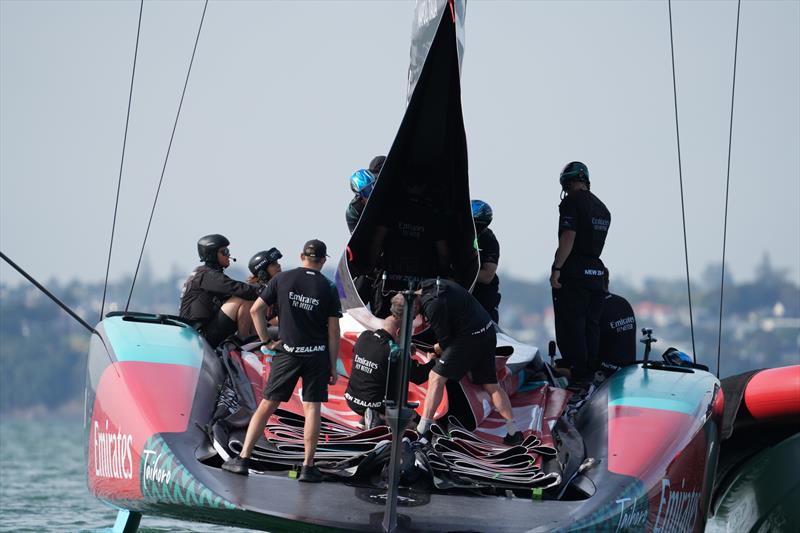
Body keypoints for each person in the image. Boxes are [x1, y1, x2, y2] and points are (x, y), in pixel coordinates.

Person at [222, 240, 342, 483]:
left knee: (267, 405)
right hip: (316, 354)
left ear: (302, 256)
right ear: (323, 260)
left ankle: (243, 459)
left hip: (287, 352)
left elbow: (256, 310)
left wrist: (266, 341)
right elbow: (333, 331)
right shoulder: (328, 287)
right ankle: (308, 467)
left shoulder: (282, 279)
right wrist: (332, 365)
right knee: (312, 409)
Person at [394, 278, 522, 445]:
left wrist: (434, 351)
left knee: (435, 377)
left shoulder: (432, 306)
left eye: (412, 316)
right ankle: (514, 432)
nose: (416, 318)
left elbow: (446, 344)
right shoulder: (431, 285)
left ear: (415, 306)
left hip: (469, 337)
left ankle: (422, 430)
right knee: (491, 385)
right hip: (487, 330)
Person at [550, 162, 611, 384]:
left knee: (571, 324)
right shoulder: (603, 209)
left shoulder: (571, 201)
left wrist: (557, 268)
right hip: (596, 273)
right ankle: (588, 371)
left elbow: (568, 236)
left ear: (568, 182)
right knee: (591, 326)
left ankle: (576, 375)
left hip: (575, 272)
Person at [344, 300, 436, 428]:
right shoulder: (395, 352)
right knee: (419, 421)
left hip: (351, 400)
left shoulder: (364, 336)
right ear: (398, 332)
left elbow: (378, 356)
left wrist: (406, 352)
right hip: (377, 405)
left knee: (374, 380)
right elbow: (419, 376)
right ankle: (378, 419)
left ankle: (366, 419)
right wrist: (432, 361)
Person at [179, 234, 258, 347]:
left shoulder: (205, 273)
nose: (228, 254)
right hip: (200, 335)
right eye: (224, 251)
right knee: (242, 297)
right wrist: (268, 291)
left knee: (246, 298)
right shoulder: (207, 275)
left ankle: (250, 338)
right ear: (212, 254)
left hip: (200, 333)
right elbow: (238, 288)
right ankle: (244, 342)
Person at [598, 269, 636, 372]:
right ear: (607, 282)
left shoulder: (595, 308)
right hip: (628, 370)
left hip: (605, 373)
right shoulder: (624, 303)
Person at [470, 199, 502, 324]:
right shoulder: (456, 234)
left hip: (483, 298)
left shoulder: (490, 240)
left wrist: (458, 276)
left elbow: (487, 276)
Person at [345, 155, 385, 234]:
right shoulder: (354, 211)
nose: (372, 194)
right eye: (367, 191)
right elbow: (355, 238)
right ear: (360, 195)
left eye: (373, 187)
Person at [247, 247, 283, 326]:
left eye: (277, 262)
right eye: (274, 264)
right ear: (263, 272)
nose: (279, 265)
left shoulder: (280, 286)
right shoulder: (256, 291)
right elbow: (267, 322)